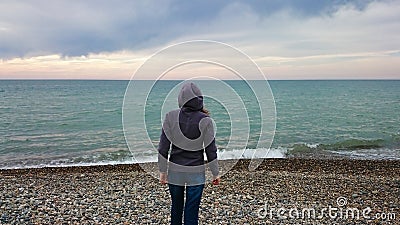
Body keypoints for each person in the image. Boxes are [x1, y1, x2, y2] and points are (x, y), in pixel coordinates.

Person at [158, 82, 220, 225]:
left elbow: (163, 147)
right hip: (196, 171)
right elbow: (210, 149)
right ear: (200, 99)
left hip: (175, 170)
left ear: (181, 99)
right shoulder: (206, 120)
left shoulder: (170, 117)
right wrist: (215, 172)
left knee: (176, 207)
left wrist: (162, 171)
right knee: (192, 211)